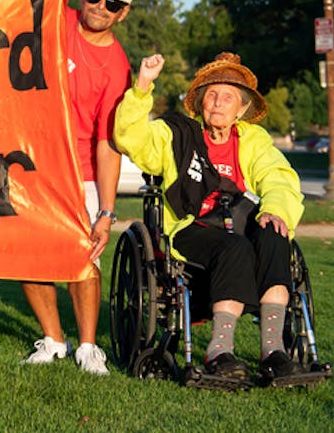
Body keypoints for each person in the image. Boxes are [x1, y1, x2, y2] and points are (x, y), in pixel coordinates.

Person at [114, 52, 306, 388]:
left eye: (227, 97)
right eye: (211, 95)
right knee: (235, 248)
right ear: (200, 102)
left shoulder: (253, 141)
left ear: (242, 109)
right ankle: (219, 353)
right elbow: (132, 139)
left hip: (241, 227)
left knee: (275, 234)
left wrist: (275, 208)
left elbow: (278, 177)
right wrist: (142, 86)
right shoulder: (176, 134)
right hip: (192, 229)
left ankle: (273, 351)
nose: (218, 103)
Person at [16, 0, 134, 376]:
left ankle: (88, 346)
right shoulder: (56, 17)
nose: (100, 6)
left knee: (85, 260)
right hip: (32, 162)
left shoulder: (117, 67)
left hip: (80, 170)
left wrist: (106, 210)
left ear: (123, 13)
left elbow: (108, 142)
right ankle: (53, 340)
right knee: (29, 258)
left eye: (112, 3)